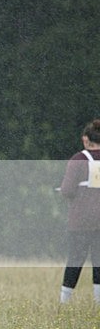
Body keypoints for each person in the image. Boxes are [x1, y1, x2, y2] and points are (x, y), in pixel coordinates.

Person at [59, 118, 100, 304]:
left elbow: (67, 190)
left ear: (86, 139)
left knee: (75, 260)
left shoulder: (78, 160)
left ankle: (64, 301)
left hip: (81, 221)